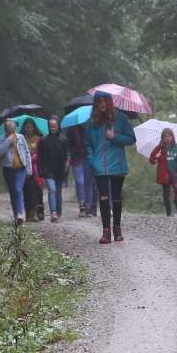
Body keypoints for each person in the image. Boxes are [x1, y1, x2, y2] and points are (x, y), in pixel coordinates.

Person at [83, 91, 135, 244]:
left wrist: (115, 137)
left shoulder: (121, 118)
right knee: (104, 198)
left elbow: (131, 138)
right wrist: (92, 160)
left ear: (110, 102)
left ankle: (117, 228)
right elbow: (87, 144)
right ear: (96, 103)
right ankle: (106, 231)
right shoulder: (91, 122)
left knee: (117, 197)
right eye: (99, 101)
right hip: (100, 166)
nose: (103, 104)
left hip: (118, 164)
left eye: (105, 100)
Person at [148, 127, 177, 216]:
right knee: (166, 192)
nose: (167, 138)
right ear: (162, 138)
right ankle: (169, 212)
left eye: (169, 136)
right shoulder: (159, 148)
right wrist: (156, 157)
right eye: (165, 136)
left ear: (172, 136)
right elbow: (151, 160)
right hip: (164, 173)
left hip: (175, 172)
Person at [37, 116, 70, 222]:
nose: (52, 128)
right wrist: (41, 170)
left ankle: (58, 212)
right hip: (48, 170)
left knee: (58, 191)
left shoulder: (63, 140)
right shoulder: (43, 140)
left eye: (54, 126)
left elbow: (67, 156)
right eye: (51, 126)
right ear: (48, 127)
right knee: (52, 189)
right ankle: (53, 213)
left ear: (58, 126)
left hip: (60, 170)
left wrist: (66, 168)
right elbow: (40, 157)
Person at [0, 118, 29, 224]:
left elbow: (27, 153)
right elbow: (0, 152)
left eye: (12, 130)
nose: (11, 132)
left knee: (18, 189)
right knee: (12, 192)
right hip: (8, 169)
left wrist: (29, 169)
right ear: (5, 130)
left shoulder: (21, 137)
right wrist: (8, 140)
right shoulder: (2, 138)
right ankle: (16, 215)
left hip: (20, 168)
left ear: (15, 129)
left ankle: (20, 213)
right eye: (8, 130)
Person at [65, 114, 91, 216]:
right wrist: (75, 152)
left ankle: (88, 207)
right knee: (80, 182)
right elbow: (68, 146)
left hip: (88, 158)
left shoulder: (90, 128)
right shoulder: (71, 131)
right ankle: (82, 205)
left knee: (88, 182)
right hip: (76, 159)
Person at [22, 121, 45, 222]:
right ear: (24, 128)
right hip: (25, 168)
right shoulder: (21, 138)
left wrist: (32, 158)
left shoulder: (39, 139)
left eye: (31, 127)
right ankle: (28, 214)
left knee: (37, 192)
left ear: (34, 128)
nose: (29, 129)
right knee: (26, 191)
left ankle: (37, 212)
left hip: (36, 168)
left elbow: (41, 152)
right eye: (27, 127)